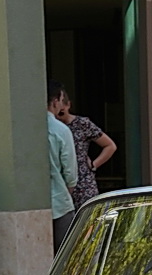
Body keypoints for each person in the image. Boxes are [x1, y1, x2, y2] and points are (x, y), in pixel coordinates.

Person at [53, 87, 116, 210]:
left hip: (83, 183)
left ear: (68, 106)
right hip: (61, 183)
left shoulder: (82, 124)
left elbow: (109, 145)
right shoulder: (53, 126)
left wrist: (94, 164)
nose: (59, 117)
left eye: (62, 113)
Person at [46, 81, 80, 251]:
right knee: (67, 255)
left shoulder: (27, 129)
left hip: (34, 205)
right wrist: (68, 190)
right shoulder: (60, 130)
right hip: (59, 201)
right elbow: (70, 172)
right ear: (56, 100)